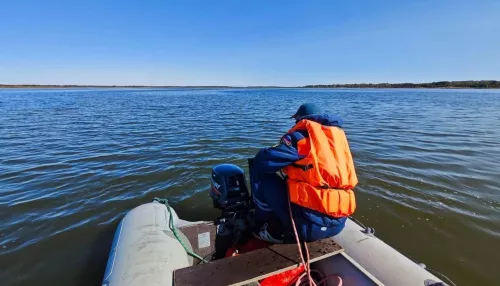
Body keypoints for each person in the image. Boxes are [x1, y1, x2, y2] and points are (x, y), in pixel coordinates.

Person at [250, 103, 358, 243]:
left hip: (309, 226)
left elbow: (263, 161)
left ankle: (267, 223)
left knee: (259, 171)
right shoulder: (337, 139)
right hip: (339, 223)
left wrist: (272, 149)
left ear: (300, 119)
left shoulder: (301, 136)